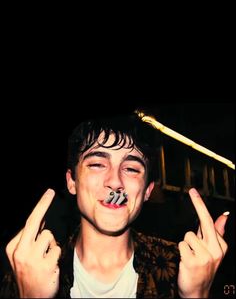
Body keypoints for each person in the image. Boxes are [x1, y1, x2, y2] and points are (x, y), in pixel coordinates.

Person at [0, 111, 229, 298]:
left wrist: (197, 294)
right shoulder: (27, 270)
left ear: (147, 192)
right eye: (98, 164)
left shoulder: (182, 266)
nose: (115, 182)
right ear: (72, 182)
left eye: (131, 169)